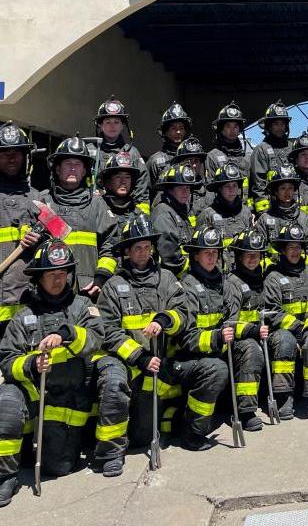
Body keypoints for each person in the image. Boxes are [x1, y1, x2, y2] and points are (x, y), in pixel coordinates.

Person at [0, 241, 104, 505]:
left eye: (62, 273)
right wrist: (32, 365)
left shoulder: (83, 306)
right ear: (39, 278)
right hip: (31, 392)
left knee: (58, 467)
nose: (58, 280)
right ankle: (5, 476)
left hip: (65, 396)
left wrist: (67, 334)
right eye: (51, 274)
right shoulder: (24, 315)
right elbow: (7, 360)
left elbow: (95, 337)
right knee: (6, 403)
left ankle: (46, 449)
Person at [94, 213, 187, 475]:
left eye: (148, 247)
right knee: (113, 385)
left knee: (142, 437)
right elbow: (108, 331)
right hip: (127, 362)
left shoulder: (167, 279)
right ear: (126, 251)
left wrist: (164, 319)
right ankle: (110, 454)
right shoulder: (114, 286)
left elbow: (184, 311)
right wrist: (139, 357)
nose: (144, 253)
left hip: (160, 360)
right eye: (138, 248)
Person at [174, 227, 235, 449]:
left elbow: (231, 316)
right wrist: (217, 337)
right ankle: (192, 432)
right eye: (206, 253)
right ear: (196, 255)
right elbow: (186, 338)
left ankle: (241, 412)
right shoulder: (187, 286)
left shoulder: (223, 282)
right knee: (216, 369)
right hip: (187, 359)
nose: (211, 257)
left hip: (217, 349)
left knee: (249, 349)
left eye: (215, 253)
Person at [262, 223, 308, 420]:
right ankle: (284, 397)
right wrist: (298, 327)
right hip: (283, 330)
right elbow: (273, 312)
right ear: (282, 250)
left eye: (298, 247)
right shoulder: (273, 277)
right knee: (285, 343)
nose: (295, 251)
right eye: (291, 247)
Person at [41, 135, 116, 300]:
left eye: (78, 164)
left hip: (87, 291)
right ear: (57, 169)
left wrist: (101, 277)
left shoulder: (97, 204)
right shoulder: (43, 202)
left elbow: (110, 245)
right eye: (68, 164)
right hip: (49, 291)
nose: (73, 169)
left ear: (84, 171)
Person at [222, 228, 270, 432]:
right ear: (239, 257)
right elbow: (230, 323)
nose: (252, 259)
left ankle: (278, 396)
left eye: (256, 255)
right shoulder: (233, 283)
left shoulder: (263, 278)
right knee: (252, 351)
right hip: (240, 340)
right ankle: (246, 411)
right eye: (248, 255)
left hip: (262, 333)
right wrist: (253, 331)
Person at [0, 122, 42, 340]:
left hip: (27, 301)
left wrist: (41, 241)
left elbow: (56, 245)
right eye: (4, 154)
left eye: (16, 153)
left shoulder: (38, 199)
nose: (11, 158)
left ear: (26, 158)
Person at [93, 150, 148, 288]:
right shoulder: (96, 209)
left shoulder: (139, 215)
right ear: (107, 182)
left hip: (132, 283)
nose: (123, 181)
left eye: (127, 177)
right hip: (100, 282)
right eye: (118, 177)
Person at [92, 96, 149, 205]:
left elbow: (142, 186)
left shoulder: (132, 153)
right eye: (108, 122)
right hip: (95, 208)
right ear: (100, 125)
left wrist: (139, 211)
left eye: (116, 122)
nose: (112, 126)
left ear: (123, 125)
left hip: (125, 209)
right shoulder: (90, 150)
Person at [198, 162, 254, 270]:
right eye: (227, 186)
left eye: (234, 185)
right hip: (217, 273)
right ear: (220, 188)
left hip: (242, 273)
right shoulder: (208, 215)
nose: (231, 190)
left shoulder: (246, 212)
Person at [151, 163, 202, 277]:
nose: (186, 192)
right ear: (170, 189)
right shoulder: (163, 214)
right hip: (175, 277)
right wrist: (194, 275)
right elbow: (171, 259)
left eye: (188, 187)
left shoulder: (180, 210)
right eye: (180, 187)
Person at [249, 101, 292, 211]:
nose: (280, 127)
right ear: (269, 126)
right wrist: (264, 213)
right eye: (276, 124)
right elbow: (258, 186)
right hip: (272, 209)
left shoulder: (292, 148)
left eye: (282, 124)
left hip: (292, 207)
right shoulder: (261, 150)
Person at [206, 101, 254, 191]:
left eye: (235, 126)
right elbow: (210, 189)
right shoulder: (212, 157)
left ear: (239, 129)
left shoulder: (247, 156)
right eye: (228, 126)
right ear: (221, 129)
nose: (232, 130)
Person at [146, 102, 194, 189]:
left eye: (181, 128)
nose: (178, 132)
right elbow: (146, 190)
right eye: (173, 128)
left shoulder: (194, 158)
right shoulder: (155, 161)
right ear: (165, 132)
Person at [173, 137, 212, 219]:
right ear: (179, 163)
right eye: (190, 160)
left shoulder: (210, 191)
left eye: (196, 161)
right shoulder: (171, 191)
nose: (194, 165)